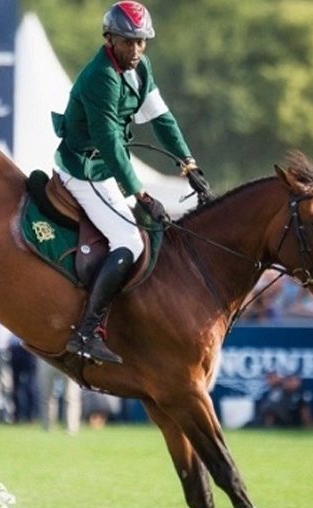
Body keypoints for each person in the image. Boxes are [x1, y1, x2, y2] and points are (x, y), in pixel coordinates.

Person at [52, 1, 207, 364]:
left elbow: (161, 117)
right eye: (128, 42)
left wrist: (188, 162)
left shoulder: (141, 67)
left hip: (106, 169)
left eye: (141, 42)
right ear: (110, 38)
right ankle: (87, 332)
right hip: (84, 171)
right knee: (129, 241)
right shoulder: (100, 78)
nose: (136, 49)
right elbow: (109, 144)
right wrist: (142, 193)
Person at [37, 358, 82, 434]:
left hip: (68, 358)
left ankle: (71, 428)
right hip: (46, 357)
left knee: (71, 397)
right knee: (46, 396)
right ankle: (47, 427)